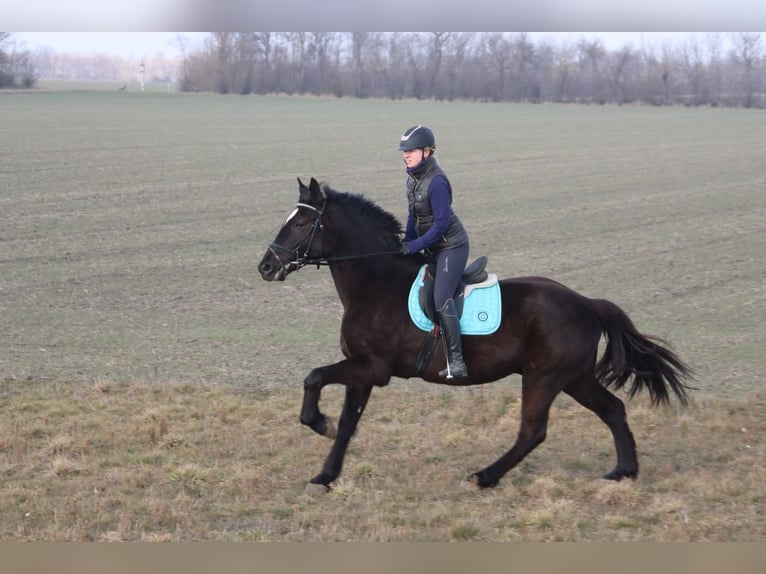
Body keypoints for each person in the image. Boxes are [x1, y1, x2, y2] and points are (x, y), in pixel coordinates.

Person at [398, 125, 470, 379]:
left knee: (441, 298)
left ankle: (457, 361)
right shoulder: (412, 180)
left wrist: (414, 246)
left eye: (411, 151)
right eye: (404, 151)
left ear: (427, 152)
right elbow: (412, 215)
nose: (406, 155)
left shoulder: (437, 182)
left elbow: (440, 226)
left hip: (451, 247)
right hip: (433, 246)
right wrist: (405, 242)